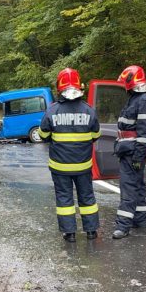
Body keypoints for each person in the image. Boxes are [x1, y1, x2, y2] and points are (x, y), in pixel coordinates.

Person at [38, 68, 101, 242]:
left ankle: (70, 233)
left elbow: (43, 135)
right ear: (79, 86)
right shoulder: (89, 111)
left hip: (60, 166)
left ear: (59, 87)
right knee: (87, 196)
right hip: (83, 165)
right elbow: (96, 136)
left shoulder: (52, 111)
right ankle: (91, 231)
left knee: (64, 198)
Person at [113, 65, 146, 239]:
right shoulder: (136, 99)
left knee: (128, 189)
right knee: (137, 188)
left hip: (133, 152)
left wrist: (138, 157)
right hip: (128, 150)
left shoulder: (145, 101)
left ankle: (123, 226)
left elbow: (145, 134)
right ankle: (140, 221)